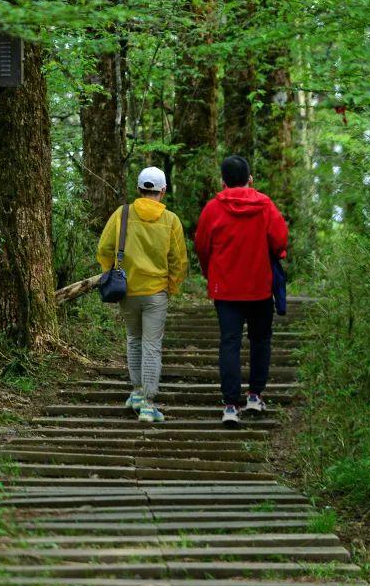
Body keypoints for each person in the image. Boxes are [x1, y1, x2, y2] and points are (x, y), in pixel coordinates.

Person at [195, 155, 289, 428]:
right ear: (250, 178)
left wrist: (209, 272)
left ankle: (230, 405)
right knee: (260, 340)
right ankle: (255, 395)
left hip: (225, 289)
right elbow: (280, 239)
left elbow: (202, 245)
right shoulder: (265, 205)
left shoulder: (213, 209)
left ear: (223, 181)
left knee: (230, 342)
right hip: (260, 286)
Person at [96, 167, 187, 423]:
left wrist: (111, 272)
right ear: (163, 191)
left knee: (134, 340)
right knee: (151, 346)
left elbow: (104, 247)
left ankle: (136, 393)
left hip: (128, 290)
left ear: (139, 189)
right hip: (156, 293)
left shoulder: (122, 214)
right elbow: (179, 260)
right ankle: (148, 405)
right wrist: (172, 285)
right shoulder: (171, 220)